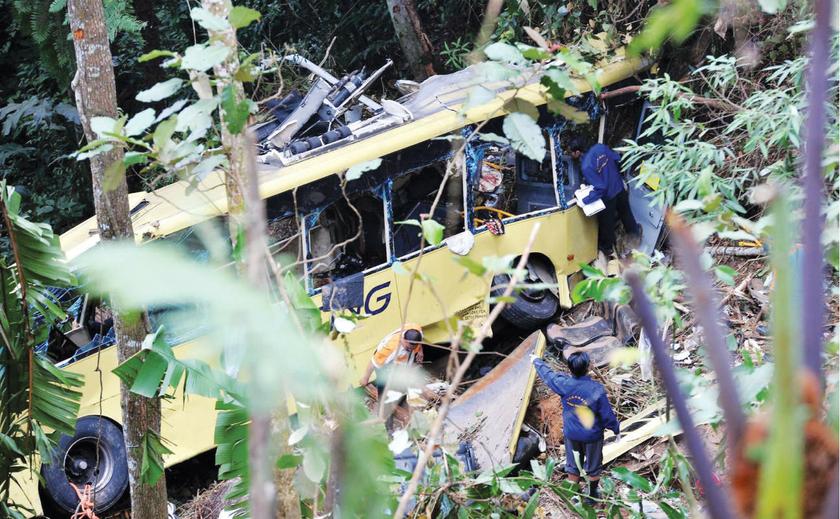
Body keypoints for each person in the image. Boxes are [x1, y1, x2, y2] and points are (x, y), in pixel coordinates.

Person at [530, 351, 620, 504]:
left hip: (571, 435)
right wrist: (616, 429)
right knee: (593, 466)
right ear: (588, 366)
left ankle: (574, 495)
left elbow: (548, 375)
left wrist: (536, 361)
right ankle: (592, 496)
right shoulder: (596, 389)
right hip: (592, 436)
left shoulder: (564, 384)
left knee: (572, 465)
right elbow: (607, 415)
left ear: (569, 368)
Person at [568, 136, 640, 255]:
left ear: (577, 152)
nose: (571, 155)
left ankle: (607, 248)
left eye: (571, 153)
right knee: (626, 212)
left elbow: (601, 188)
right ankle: (635, 234)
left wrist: (585, 200)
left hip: (608, 195)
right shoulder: (600, 147)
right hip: (618, 186)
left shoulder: (586, 166)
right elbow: (617, 159)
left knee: (607, 223)